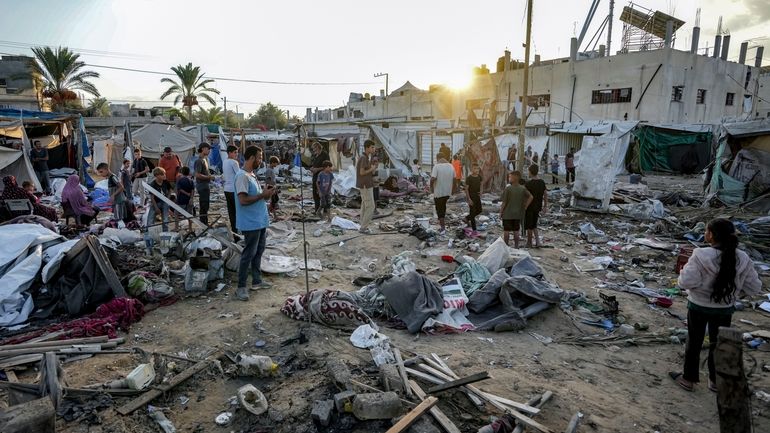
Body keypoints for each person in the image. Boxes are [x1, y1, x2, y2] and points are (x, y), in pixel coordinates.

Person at [670, 219, 762, 392]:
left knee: (694, 342)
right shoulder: (742, 257)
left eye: (706, 231)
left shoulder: (700, 254)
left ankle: (689, 379)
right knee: (718, 343)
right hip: (724, 309)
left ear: (711, 235)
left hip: (698, 306)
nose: (705, 234)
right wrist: (735, 294)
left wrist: (685, 276)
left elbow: (686, 282)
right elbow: (754, 287)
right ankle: (715, 381)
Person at [234, 146, 275, 301]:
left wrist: (266, 194)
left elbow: (257, 197)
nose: (261, 160)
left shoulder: (252, 175)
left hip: (259, 221)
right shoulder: (242, 176)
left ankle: (256, 281)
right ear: (251, 158)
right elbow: (243, 200)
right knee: (248, 254)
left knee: (258, 251)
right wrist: (262, 195)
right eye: (259, 157)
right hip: (250, 223)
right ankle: (241, 287)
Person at [500, 171, 532, 248]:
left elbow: (504, 202)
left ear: (515, 178)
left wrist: (500, 212)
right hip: (518, 213)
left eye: (510, 177)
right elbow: (531, 197)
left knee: (506, 231)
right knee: (516, 230)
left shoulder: (508, 189)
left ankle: (506, 246)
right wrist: (525, 206)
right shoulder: (522, 188)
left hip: (507, 213)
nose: (509, 178)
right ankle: (516, 246)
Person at [431, 155, 455, 234]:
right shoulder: (451, 166)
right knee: (443, 207)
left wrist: (431, 188)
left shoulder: (437, 166)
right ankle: (442, 225)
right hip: (447, 192)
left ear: (437, 158)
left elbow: (433, 178)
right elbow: (455, 179)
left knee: (439, 209)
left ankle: (442, 228)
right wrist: (453, 190)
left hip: (439, 193)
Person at [524, 164, 547, 248]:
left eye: (528, 171)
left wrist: (524, 206)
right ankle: (537, 242)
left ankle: (529, 242)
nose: (528, 173)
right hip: (538, 206)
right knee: (534, 224)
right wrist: (545, 206)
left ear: (530, 172)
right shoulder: (542, 182)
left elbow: (526, 196)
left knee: (529, 226)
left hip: (530, 207)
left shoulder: (528, 183)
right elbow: (545, 194)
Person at [356, 140, 377, 233]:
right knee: (371, 206)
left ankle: (362, 225)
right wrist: (372, 169)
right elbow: (361, 172)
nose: (374, 149)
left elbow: (368, 172)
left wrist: (373, 168)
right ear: (367, 147)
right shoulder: (363, 158)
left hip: (367, 184)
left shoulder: (367, 158)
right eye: (372, 147)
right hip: (365, 185)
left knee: (365, 205)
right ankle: (363, 227)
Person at [194, 143, 214, 225]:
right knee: (203, 205)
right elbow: (197, 174)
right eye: (208, 149)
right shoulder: (199, 161)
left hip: (205, 185)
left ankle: (205, 222)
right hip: (202, 186)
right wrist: (208, 177)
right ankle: (203, 224)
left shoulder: (205, 159)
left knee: (206, 206)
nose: (209, 150)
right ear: (202, 149)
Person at [146, 167, 171, 232]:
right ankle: (150, 232)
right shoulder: (153, 184)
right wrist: (156, 208)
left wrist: (168, 198)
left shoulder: (166, 182)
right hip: (155, 202)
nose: (164, 176)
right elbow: (152, 197)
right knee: (150, 219)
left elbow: (170, 189)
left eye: (164, 174)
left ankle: (165, 233)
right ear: (157, 176)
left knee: (165, 219)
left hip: (164, 202)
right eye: (162, 174)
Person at [222, 145, 240, 232]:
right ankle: (238, 231)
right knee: (237, 212)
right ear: (229, 153)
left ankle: (234, 232)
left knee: (231, 212)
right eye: (235, 152)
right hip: (233, 190)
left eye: (237, 152)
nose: (237, 154)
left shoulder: (225, 161)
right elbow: (239, 175)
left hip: (226, 189)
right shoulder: (233, 162)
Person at [309, 142, 330, 215]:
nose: (314, 151)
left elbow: (327, 167)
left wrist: (317, 169)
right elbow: (313, 164)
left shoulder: (325, 155)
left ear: (318, 147)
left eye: (314, 149)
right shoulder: (316, 155)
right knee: (315, 194)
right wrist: (312, 168)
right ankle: (316, 210)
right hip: (315, 177)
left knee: (323, 194)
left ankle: (325, 210)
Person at [175, 166, 195, 232]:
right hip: (189, 200)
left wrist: (177, 198)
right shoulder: (191, 180)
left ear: (182, 172)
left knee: (176, 213)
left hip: (181, 200)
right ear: (189, 172)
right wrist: (191, 198)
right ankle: (190, 228)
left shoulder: (180, 180)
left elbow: (179, 190)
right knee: (190, 214)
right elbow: (192, 190)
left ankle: (176, 227)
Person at [465, 163, 483, 231]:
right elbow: (466, 189)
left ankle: (467, 218)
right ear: (471, 169)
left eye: (477, 168)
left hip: (477, 196)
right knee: (472, 212)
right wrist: (469, 199)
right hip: (471, 196)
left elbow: (481, 185)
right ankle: (474, 230)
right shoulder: (469, 178)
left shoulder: (479, 177)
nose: (476, 170)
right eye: (475, 168)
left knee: (479, 210)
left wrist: (481, 192)